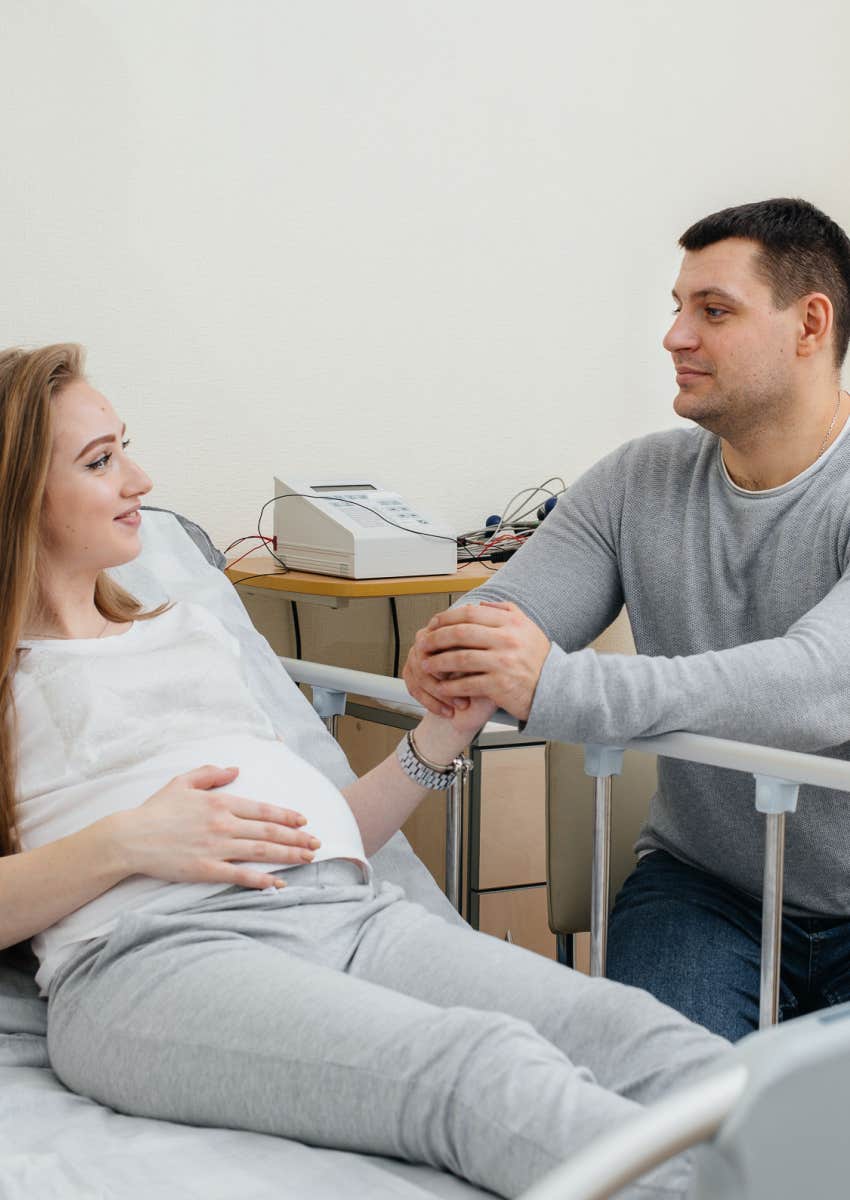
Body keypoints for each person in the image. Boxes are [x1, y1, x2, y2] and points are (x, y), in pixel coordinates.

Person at [0, 344, 726, 1199]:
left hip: (344, 912)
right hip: (155, 960)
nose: (140, 479)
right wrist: (127, 842)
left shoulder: (185, 631)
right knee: (478, 1070)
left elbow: (319, 834)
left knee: (634, 1034)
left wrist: (439, 738)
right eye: (100, 461)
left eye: (125, 446)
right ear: (18, 500)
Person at [404, 197, 850, 1045]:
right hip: (706, 889)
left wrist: (557, 685)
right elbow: (499, 621)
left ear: (810, 325)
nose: (675, 336)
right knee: (658, 1126)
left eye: (713, 311)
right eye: (678, 309)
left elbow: (820, 687)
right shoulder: (636, 482)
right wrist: (455, 650)